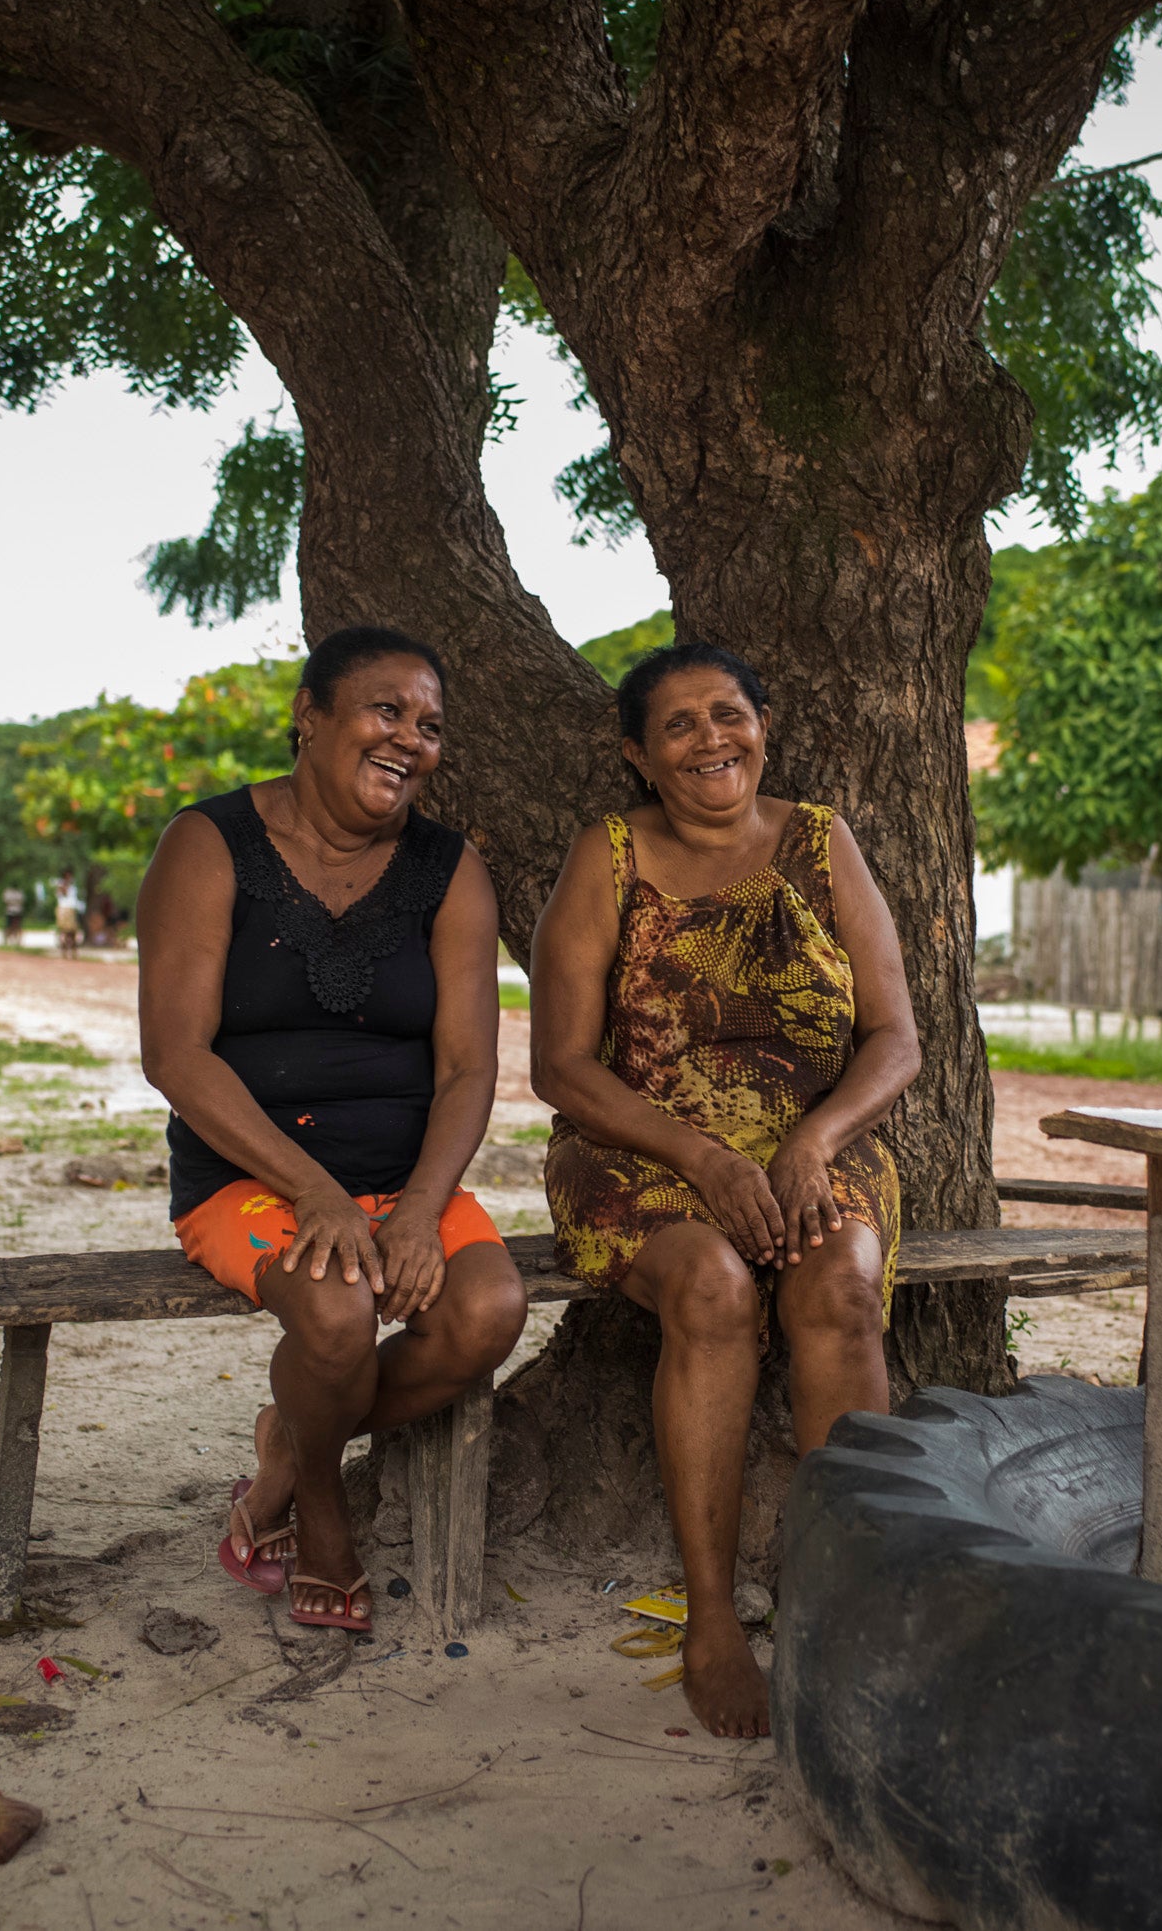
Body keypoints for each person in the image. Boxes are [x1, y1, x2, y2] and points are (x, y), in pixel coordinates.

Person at [530, 643, 919, 1738]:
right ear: (638, 756)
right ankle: (711, 1617)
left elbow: (896, 1038)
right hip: (639, 1153)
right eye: (680, 726)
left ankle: (846, 1601)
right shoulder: (608, 855)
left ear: (762, 723)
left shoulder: (821, 840)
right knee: (711, 1288)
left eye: (728, 714)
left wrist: (814, 1142)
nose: (713, 739)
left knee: (839, 1279)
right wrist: (706, 1159)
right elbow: (560, 1065)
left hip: (812, 1143)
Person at [140, 624, 526, 1634]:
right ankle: (321, 1505)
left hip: (408, 1176)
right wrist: (311, 1187)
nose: (411, 738)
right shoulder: (209, 843)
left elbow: (466, 1065)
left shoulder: (451, 869)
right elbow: (176, 1053)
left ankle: (289, 1449)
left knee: (487, 1313)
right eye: (386, 710)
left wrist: (421, 1210)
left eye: (431, 725)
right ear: (309, 717)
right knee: (339, 1309)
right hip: (250, 1174)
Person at [55, 876, 83, 959]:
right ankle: (64, 952)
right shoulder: (61, 887)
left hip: (71, 910)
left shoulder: (73, 888)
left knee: (73, 932)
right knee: (64, 932)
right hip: (64, 911)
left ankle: (73, 952)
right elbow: (63, 894)